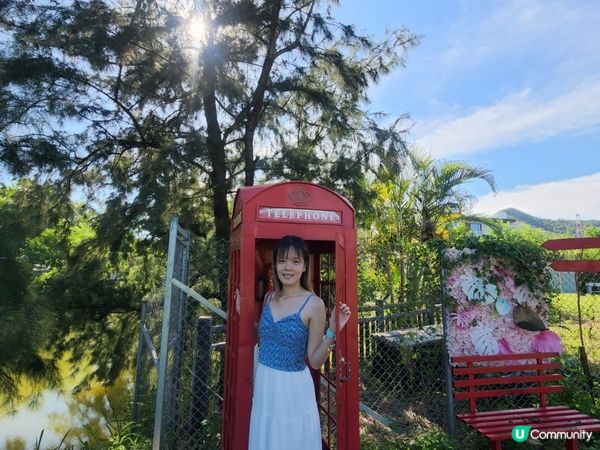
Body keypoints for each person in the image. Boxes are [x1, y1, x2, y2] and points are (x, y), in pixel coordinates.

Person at [237, 235, 351, 450]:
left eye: (295, 261)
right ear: (275, 264)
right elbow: (264, 338)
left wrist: (333, 330)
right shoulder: (271, 297)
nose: (287, 267)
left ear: (304, 266)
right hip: (265, 384)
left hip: (293, 389)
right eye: (282, 260)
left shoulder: (314, 304)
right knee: (267, 438)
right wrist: (243, 314)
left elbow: (315, 361)